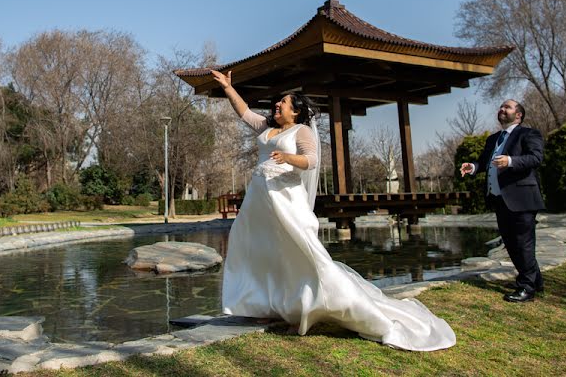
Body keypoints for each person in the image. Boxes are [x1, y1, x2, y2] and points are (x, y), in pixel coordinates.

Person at [212, 70, 456, 351]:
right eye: (277, 103)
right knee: (261, 250)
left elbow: (312, 160)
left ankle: (302, 310)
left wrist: (289, 157)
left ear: (297, 110)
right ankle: (264, 306)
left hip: (285, 199)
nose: (277, 105)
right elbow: (243, 112)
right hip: (259, 200)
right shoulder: (266, 127)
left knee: (296, 252)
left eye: (283, 102)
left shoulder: (300, 131)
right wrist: (229, 88)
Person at [460, 99, 545, 302]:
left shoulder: (528, 134)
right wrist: (473, 167)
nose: (502, 109)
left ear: (518, 115)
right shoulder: (493, 139)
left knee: (523, 244)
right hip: (499, 199)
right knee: (511, 243)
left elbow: (536, 158)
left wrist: (511, 161)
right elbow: (484, 162)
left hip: (522, 199)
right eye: (501, 107)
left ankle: (526, 287)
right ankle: (536, 281)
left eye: (507, 107)